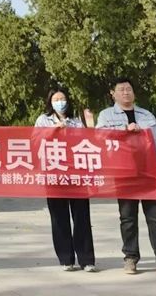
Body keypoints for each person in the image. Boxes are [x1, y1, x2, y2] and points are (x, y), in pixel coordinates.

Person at [96, 77, 156, 276]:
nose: (126, 92)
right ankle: (130, 258)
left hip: (150, 175)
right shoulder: (105, 116)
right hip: (125, 175)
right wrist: (123, 131)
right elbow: (99, 138)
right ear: (113, 93)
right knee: (127, 219)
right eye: (121, 89)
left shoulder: (146, 115)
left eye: (129, 89)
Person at [35, 86, 97, 273]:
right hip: (54, 174)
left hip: (76, 174)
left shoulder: (76, 121)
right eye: (56, 99)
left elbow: (86, 144)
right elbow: (35, 141)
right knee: (59, 217)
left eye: (62, 99)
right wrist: (53, 130)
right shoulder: (43, 120)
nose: (60, 102)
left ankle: (86, 259)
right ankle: (66, 259)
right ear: (50, 102)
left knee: (81, 217)